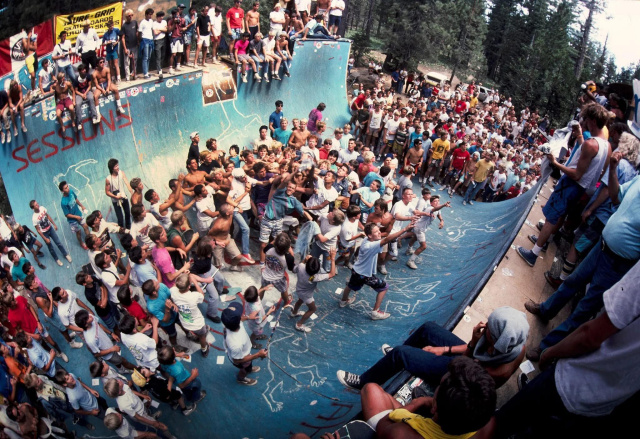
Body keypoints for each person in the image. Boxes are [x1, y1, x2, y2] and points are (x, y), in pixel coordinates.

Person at [479, 261, 640, 439]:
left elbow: (590, 336)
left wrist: (550, 352)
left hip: (572, 380)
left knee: (498, 423)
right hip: (606, 402)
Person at [524, 149, 640, 360]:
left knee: (584, 308)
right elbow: (616, 197)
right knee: (572, 281)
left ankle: (546, 348)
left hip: (619, 263)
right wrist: (613, 169)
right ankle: (546, 310)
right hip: (602, 246)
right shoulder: (638, 180)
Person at [337, 306, 528, 392]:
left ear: (496, 340)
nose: (484, 325)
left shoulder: (495, 373)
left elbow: (462, 368)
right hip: (469, 360)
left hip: (460, 376)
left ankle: (363, 382)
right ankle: (404, 353)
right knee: (428, 329)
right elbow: (477, 348)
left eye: (488, 329)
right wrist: (444, 349)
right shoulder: (511, 343)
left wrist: (471, 344)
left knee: (400, 354)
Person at [516, 103, 610, 266]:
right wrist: (579, 136)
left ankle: (533, 254)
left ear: (593, 121)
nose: (585, 123)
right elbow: (596, 166)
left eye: (587, 119)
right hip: (582, 189)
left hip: (571, 184)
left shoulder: (591, 144)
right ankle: (545, 241)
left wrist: (555, 163)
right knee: (560, 215)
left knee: (551, 218)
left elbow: (577, 174)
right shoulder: (606, 146)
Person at [360, 357, 496, 438]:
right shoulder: (488, 426)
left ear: (435, 408)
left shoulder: (400, 434)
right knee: (385, 396)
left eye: (439, 385)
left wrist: (415, 404)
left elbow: (383, 426)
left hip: (390, 428)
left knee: (371, 390)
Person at [339, 220, 415, 320]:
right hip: (365, 275)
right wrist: (404, 229)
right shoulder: (371, 245)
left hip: (356, 270)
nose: (379, 232)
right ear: (370, 235)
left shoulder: (367, 239)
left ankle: (343, 301)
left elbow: (381, 237)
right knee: (384, 287)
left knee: (350, 285)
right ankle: (375, 312)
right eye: (376, 232)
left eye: (379, 230)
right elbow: (386, 239)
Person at [221, 301, 268, 386]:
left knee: (248, 364)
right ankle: (241, 378)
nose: (242, 315)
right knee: (244, 369)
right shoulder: (235, 344)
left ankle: (249, 368)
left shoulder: (228, 324)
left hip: (243, 352)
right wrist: (258, 355)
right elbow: (237, 360)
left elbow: (240, 319)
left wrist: (248, 317)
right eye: (241, 314)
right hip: (241, 358)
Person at [291, 249, 337, 332]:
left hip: (299, 289)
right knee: (312, 309)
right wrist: (333, 258)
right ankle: (299, 324)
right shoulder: (315, 277)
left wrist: (305, 259)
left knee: (300, 300)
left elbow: (297, 267)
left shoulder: (301, 266)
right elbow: (332, 274)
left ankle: (294, 312)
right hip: (307, 295)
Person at [406, 192, 450, 269]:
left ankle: (409, 250)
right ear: (431, 203)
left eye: (438, 201)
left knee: (415, 238)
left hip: (419, 226)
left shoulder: (438, 208)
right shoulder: (430, 208)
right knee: (423, 246)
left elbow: (439, 213)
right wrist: (443, 205)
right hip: (419, 228)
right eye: (435, 201)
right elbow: (436, 209)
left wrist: (441, 220)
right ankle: (410, 261)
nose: (437, 202)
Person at [170, 273, 210, 357]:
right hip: (198, 324)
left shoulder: (172, 291)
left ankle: (193, 335)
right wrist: (195, 282)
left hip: (185, 322)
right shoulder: (194, 296)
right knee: (202, 337)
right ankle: (204, 349)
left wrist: (183, 277)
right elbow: (202, 295)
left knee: (197, 331)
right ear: (189, 286)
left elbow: (174, 285)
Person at [30, 199, 70, 266]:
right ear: (33, 208)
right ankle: (56, 259)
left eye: (37, 203)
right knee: (50, 247)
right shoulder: (34, 218)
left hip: (50, 229)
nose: (38, 205)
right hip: (45, 233)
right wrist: (45, 238)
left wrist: (54, 224)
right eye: (36, 205)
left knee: (58, 243)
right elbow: (38, 230)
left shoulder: (42, 208)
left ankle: (65, 254)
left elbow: (48, 216)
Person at [58, 181, 90, 250]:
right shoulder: (63, 202)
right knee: (78, 232)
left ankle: (90, 239)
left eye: (67, 186)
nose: (68, 189)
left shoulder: (71, 192)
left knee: (86, 226)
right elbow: (67, 215)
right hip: (72, 220)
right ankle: (81, 243)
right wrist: (76, 217)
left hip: (78, 214)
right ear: (62, 191)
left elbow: (76, 199)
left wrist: (82, 206)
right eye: (65, 188)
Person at [120, 9, 138, 81]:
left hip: (134, 45)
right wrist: (125, 48)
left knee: (135, 60)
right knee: (127, 62)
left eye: (131, 15)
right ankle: (127, 76)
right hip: (127, 46)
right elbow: (122, 38)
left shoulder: (135, 23)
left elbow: (137, 33)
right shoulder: (124, 26)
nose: (130, 17)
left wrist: (138, 41)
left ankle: (134, 74)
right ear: (126, 16)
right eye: (129, 16)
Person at [168, 8, 186, 73]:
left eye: (178, 15)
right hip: (174, 38)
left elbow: (184, 27)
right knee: (173, 54)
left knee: (180, 53)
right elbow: (169, 30)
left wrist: (183, 28)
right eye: (176, 15)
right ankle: (170, 68)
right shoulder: (170, 21)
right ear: (173, 15)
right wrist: (174, 23)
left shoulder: (182, 20)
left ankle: (178, 66)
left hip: (180, 38)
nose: (177, 16)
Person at [139, 8, 155, 79]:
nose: (150, 16)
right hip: (145, 40)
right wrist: (140, 41)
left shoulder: (151, 21)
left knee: (149, 57)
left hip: (150, 40)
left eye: (151, 14)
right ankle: (145, 74)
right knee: (145, 57)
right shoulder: (142, 22)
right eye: (149, 14)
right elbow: (139, 33)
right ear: (146, 14)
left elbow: (152, 30)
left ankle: (147, 72)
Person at [153, 11, 168, 79]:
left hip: (164, 39)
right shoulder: (154, 23)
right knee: (158, 56)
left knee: (163, 55)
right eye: (160, 17)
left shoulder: (164, 22)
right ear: (157, 17)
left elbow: (166, 30)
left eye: (162, 16)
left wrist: (159, 29)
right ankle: (159, 71)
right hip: (157, 41)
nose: (161, 18)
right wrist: (163, 29)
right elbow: (155, 33)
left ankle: (160, 69)